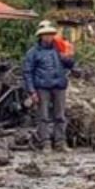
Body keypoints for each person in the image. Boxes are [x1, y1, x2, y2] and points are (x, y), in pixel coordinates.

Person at [21, 20, 73, 151]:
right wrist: (32, 91)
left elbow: (71, 65)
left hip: (59, 86)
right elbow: (27, 72)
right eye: (46, 34)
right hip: (42, 87)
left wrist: (67, 57)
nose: (48, 37)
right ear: (40, 36)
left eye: (50, 34)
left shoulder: (60, 49)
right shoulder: (33, 52)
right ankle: (45, 143)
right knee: (43, 116)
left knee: (60, 116)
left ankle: (60, 143)